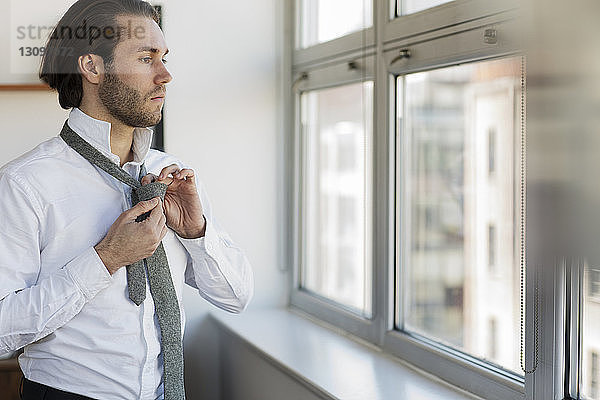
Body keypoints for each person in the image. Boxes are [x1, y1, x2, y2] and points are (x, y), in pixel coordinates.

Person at [0, 0, 253, 399]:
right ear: (92, 67)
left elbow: (236, 297)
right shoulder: (25, 183)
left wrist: (196, 233)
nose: (166, 75)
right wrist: (106, 258)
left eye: (164, 57)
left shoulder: (171, 175)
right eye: (146, 57)